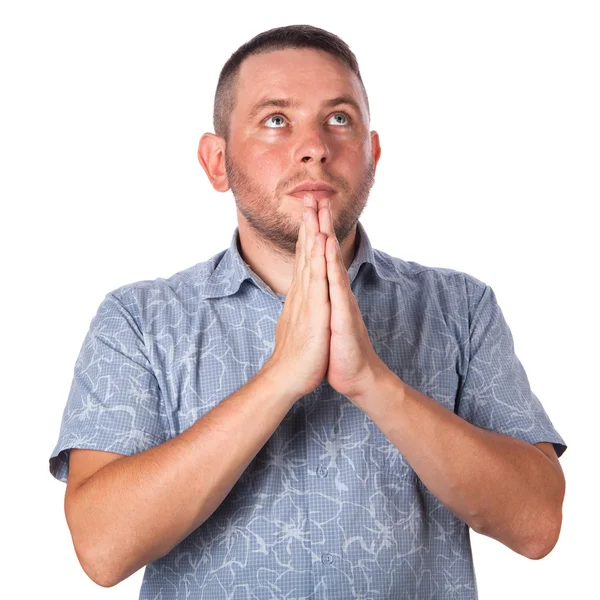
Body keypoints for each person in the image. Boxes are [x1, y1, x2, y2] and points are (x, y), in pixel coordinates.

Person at [49, 24, 567, 599]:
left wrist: (373, 382)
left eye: (339, 118)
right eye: (276, 120)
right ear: (216, 161)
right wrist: (278, 381)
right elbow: (101, 548)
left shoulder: (461, 308)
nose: (314, 145)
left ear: (371, 154)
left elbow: (537, 524)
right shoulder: (138, 321)